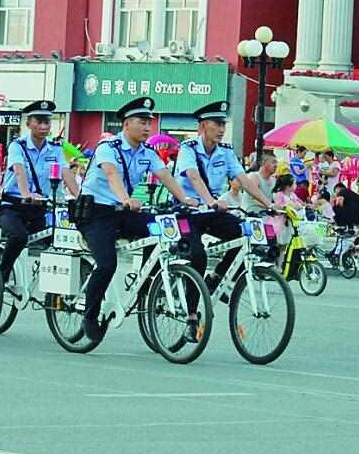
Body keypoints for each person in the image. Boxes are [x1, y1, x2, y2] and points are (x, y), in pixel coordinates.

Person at [79, 96, 198, 344]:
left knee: (159, 229)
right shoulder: (107, 148)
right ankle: (90, 316)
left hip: (123, 213)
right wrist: (125, 198)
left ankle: (147, 284)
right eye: (142, 122)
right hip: (96, 213)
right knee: (107, 264)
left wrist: (185, 199)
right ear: (126, 124)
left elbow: (165, 175)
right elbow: (111, 174)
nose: (147, 127)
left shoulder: (147, 153)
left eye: (149, 123)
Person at [174, 101, 274, 291]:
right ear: (203, 126)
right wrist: (211, 201)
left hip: (211, 212)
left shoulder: (225, 151)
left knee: (246, 235)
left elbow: (244, 180)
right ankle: (191, 307)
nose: (221, 130)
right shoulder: (188, 148)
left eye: (223, 125)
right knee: (198, 256)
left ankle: (217, 277)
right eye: (217, 124)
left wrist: (269, 204)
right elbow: (194, 177)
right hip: (187, 212)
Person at [0, 99, 82, 286]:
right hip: (13, 207)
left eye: (47, 122)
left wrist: (81, 198)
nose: (43, 126)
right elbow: (19, 170)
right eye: (39, 121)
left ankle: (53, 289)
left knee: (61, 240)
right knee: (19, 236)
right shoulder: (17, 146)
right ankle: (2, 275)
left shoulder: (55, 149)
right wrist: (27, 194)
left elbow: (66, 173)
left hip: (39, 210)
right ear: (28, 123)